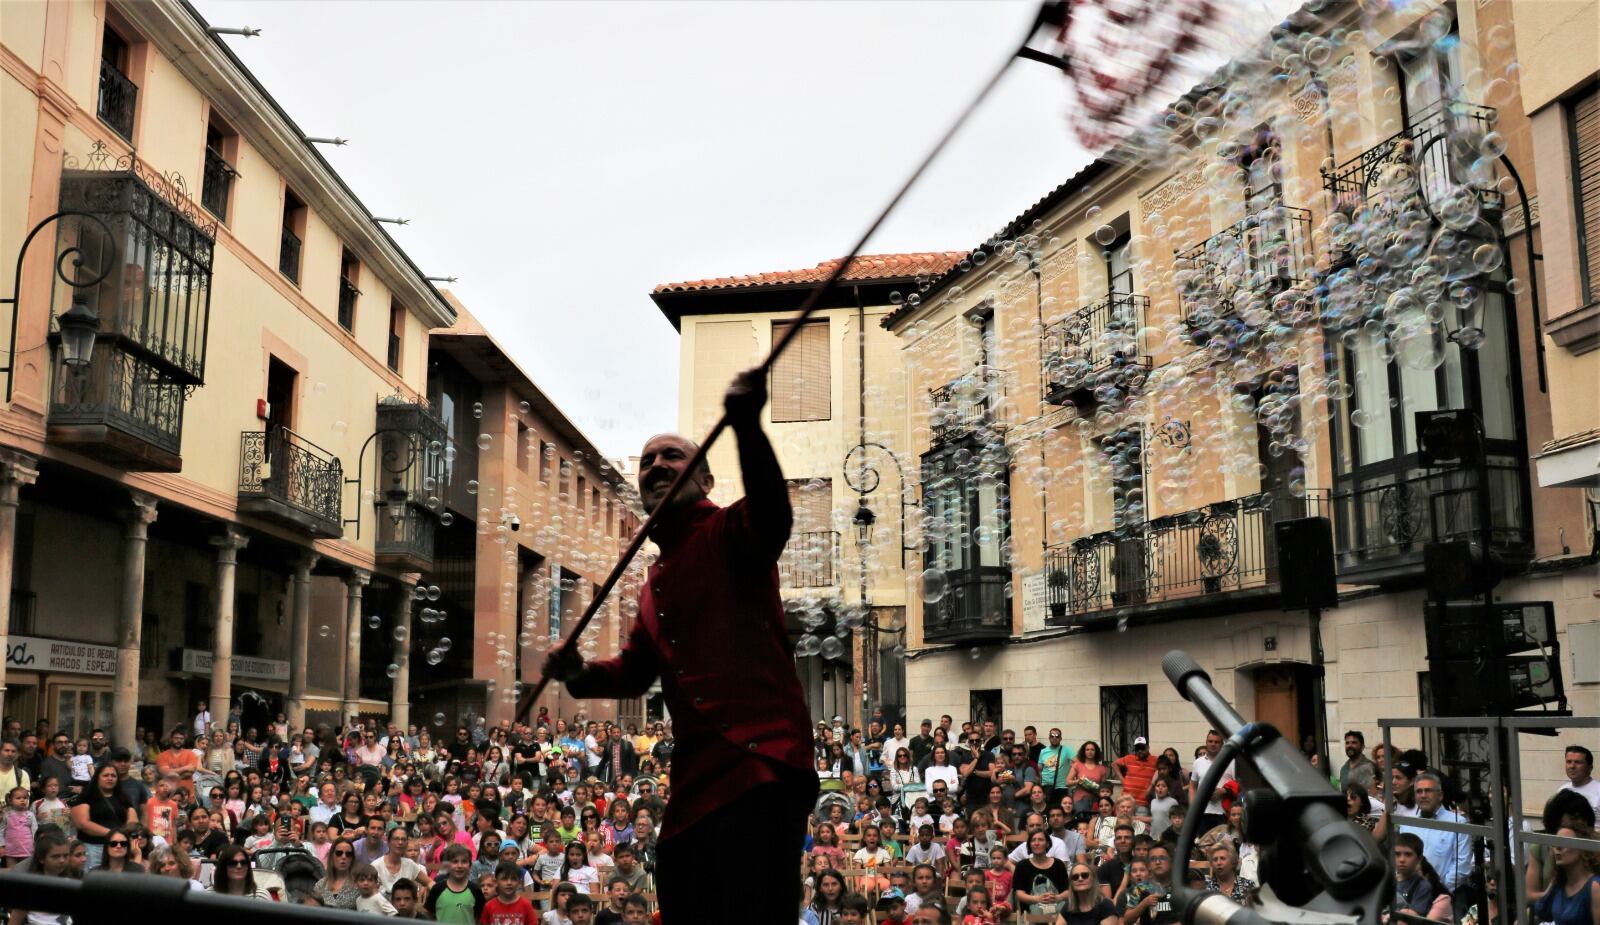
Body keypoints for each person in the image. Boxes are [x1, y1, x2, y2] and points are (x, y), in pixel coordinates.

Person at [542, 368, 819, 924]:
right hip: (699, 778)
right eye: (647, 461)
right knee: (683, 885)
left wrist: (747, 427)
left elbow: (773, 511)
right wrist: (577, 673)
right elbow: (633, 672)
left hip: (762, 762)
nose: (657, 467)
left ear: (707, 480)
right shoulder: (653, 580)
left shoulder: (729, 530)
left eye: (673, 456)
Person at [1398, 771, 1472, 893]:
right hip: (1410, 894)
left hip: (1442, 895)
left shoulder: (1457, 823)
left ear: (1440, 795)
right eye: (1419, 791)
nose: (1423, 795)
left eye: (1428, 791)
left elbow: (1462, 867)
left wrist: (1437, 890)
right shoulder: (1407, 824)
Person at [68, 761, 136, 868]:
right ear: (97, 778)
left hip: (119, 847)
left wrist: (119, 836)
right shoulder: (86, 796)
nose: (110, 778)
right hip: (93, 847)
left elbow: (133, 820)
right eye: (105, 775)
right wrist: (113, 834)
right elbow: (82, 823)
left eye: (113, 776)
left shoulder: (123, 797)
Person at [1530, 822, 1599, 925]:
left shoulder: (1594, 886)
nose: (1558, 847)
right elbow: (1541, 911)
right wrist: (1550, 888)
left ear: (1581, 848)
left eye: (1565, 842)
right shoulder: (1559, 884)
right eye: (1556, 842)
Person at [7, 830, 72, 924]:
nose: (62, 860)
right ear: (42, 859)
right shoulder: (31, 887)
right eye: (55, 856)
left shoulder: (69, 882)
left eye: (65, 856)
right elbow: (14, 922)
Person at [1394, 832, 1452, 921]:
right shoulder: (1387, 880)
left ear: (1419, 859)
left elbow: (1411, 919)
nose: (1402, 859)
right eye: (1397, 854)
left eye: (1408, 854)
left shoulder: (1422, 886)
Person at [1016, 830, 1071, 916]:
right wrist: (1037, 899)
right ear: (1029, 844)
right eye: (1033, 840)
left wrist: (1057, 897)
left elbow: (1067, 892)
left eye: (1040, 840)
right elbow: (1019, 894)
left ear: (1047, 844)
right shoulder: (1022, 866)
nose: (1036, 843)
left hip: (1056, 912)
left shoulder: (1058, 864)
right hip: (1030, 915)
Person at [1189, 732, 1233, 833]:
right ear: (1206, 743)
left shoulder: (1231, 762)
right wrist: (1193, 806)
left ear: (1222, 744)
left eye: (1216, 742)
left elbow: (1238, 784)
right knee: (1203, 845)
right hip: (1203, 812)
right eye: (1210, 741)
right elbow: (1192, 786)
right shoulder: (1198, 762)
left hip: (1224, 812)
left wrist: (1223, 791)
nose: (1213, 744)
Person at [317, 836, 363, 909]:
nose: (344, 857)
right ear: (332, 856)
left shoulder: (360, 884)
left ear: (352, 858)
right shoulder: (320, 884)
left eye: (348, 854)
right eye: (339, 853)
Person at [1067, 742, 1110, 816]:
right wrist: (1078, 781)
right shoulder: (1077, 765)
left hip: (1096, 800)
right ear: (1084, 752)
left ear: (1096, 752)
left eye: (1092, 750)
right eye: (1087, 750)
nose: (1090, 752)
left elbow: (1103, 787)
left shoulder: (1101, 768)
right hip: (1080, 799)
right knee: (1082, 821)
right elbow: (1067, 782)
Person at [1114, 738, 1159, 811]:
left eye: (1142, 748)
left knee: (1141, 822)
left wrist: (1152, 785)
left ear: (1147, 747)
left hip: (1143, 803)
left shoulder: (1155, 760)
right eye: (1137, 749)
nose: (1140, 751)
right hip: (1126, 801)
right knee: (1124, 822)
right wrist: (1122, 780)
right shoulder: (1129, 758)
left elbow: (1162, 769)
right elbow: (1114, 764)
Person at [3, 785, 37, 867]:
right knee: (11, 873)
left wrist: (36, 844)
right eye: (18, 798)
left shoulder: (30, 815)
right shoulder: (7, 815)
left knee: (26, 873)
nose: (22, 800)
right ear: (10, 801)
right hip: (10, 850)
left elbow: (35, 831)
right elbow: (1, 831)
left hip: (27, 850)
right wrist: (1, 846)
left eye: (25, 798)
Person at [1563, 747, 1600, 818]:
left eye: (1578, 762)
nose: (1572, 766)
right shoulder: (1563, 790)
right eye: (1569, 762)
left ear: (1590, 767)